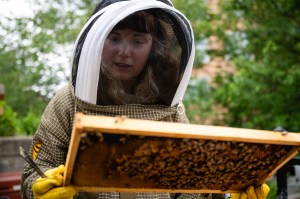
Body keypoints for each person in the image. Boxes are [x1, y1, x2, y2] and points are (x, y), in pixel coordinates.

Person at [21, 0, 270, 199]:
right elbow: (34, 172)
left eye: (138, 41)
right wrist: (40, 190)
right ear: (97, 39)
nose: (124, 52)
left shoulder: (172, 110)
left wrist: (225, 195)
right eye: (114, 37)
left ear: (155, 46)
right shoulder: (68, 100)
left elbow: (191, 187)